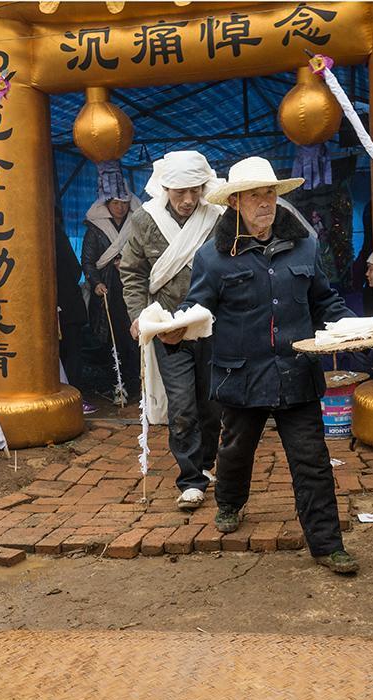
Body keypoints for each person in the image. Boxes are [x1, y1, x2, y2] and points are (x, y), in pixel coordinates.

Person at [162, 156, 360, 574]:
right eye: (255, 195)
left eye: (270, 193)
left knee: (312, 461)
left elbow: (323, 300)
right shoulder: (213, 258)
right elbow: (196, 307)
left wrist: (355, 328)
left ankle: (327, 545)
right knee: (235, 451)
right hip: (241, 376)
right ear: (235, 202)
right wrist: (174, 328)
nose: (265, 202)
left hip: (296, 374)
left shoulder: (304, 245)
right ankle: (231, 502)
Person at [119, 151, 223, 510]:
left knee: (212, 406)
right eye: (180, 191)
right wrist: (140, 316)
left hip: (212, 326)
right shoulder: (145, 220)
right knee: (182, 407)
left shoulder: (218, 217)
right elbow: (131, 273)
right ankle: (190, 479)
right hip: (168, 328)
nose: (189, 200)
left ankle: (206, 464)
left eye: (195, 190)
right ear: (165, 187)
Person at [82, 161, 142, 401]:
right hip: (106, 292)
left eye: (124, 203)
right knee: (110, 339)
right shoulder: (95, 229)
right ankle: (114, 385)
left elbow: (143, 254)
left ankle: (135, 384)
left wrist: (127, 264)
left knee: (133, 338)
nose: (120, 207)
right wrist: (95, 282)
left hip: (131, 288)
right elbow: (87, 261)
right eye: (116, 203)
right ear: (107, 204)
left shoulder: (136, 225)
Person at [54, 207, 94, 414]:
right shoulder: (56, 235)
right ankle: (74, 396)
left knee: (67, 353)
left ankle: (71, 396)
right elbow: (75, 268)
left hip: (64, 307)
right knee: (71, 353)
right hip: (66, 305)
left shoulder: (48, 235)